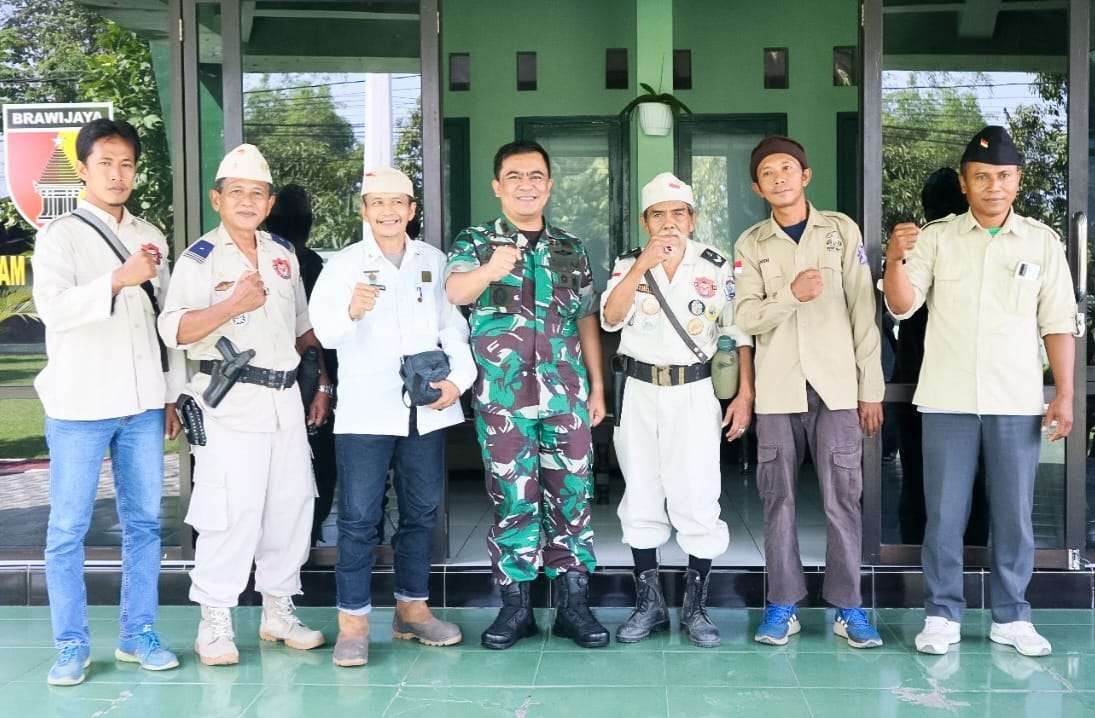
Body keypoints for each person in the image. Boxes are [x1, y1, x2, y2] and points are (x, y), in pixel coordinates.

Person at [882, 126, 1076, 657]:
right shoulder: (938, 237)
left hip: (1014, 400)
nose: (993, 186)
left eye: (1003, 177)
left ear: (1018, 182)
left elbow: (1057, 321)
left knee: (1014, 513)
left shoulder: (1041, 240)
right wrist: (895, 257)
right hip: (947, 399)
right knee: (943, 513)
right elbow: (901, 306)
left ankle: (1012, 614)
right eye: (982, 177)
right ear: (965, 185)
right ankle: (942, 612)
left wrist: (1064, 392)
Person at [158, 143, 331, 665]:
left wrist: (324, 379)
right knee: (230, 511)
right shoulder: (199, 258)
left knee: (292, 504)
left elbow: (304, 329)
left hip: (283, 400)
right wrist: (231, 304)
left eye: (257, 193)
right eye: (237, 192)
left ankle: (278, 610)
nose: (248, 201)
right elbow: (175, 330)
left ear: (270, 201)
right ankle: (215, 621)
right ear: (217, 198)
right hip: (229, 399)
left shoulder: (282, 255)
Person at [32, 117, 184, 685]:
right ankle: (71, 645)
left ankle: (136, 634)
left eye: (126, 164)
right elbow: (55, 309)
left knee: (144, 523)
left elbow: (165, 324)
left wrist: (171, 394)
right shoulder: (60, 234)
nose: (117, 174)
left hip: (143, 403)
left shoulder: (152, 233)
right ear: (83, 169)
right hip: (78, 406)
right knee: (67, 529)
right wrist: (118, 279)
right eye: (105, 163)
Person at [445, 140, 609, 650]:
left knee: (573, 498)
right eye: (514, 176)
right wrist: (492, 268)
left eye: (536, 175)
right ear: (498, 186)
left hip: (566, 395)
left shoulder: (569, 246)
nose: (526, 184)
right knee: (513, 497)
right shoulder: (474, 242)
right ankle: (515, 607)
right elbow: (455, 293)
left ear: (550, 185)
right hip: (503, 400)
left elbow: (585, 317)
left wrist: (598, 387)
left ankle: (573, 606)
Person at [309, 166, 475, 666]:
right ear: (364, 210)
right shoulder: (343, 265)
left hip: (425, 410)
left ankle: (412, 610)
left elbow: (454, 329)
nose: (387, 211)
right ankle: (354, 624)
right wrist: (352, 311)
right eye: (377, 203)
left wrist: (457, 382)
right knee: (359, 519)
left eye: (397, 203)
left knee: (422, 513)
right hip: (365, 412)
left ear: (412, 209)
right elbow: (325, 332)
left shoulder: (433, 259)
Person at [734, 135, 885, 649]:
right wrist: (789, 296)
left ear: (806, 175)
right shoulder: (750, 244)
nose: (779, 178)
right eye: (768, 173)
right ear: (757, 187)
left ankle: (848, 608)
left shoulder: (841, 231)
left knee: (844, 498)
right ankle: (783, 605)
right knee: (778, 501)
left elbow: (864, 311)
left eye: (787, 169)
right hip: (779, 391)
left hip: (839, 388)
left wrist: (871, 388)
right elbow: (746, 317)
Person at [600, 172, 755, 647]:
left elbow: (738, 330)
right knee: (642, 491)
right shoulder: (630, 262)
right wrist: (641, 265)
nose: (669, 223)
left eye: (679, 214)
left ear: (693, 218)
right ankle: (647, 604)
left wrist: (745, 394)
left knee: (697, 492)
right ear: (646, 221)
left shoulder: (716, 264)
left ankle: (695, 607)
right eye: (658, 215)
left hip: (694, 391)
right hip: (640, 390)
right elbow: (610, 317)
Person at [265, 184, 338, 545]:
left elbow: (314, 329)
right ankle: (303, 533)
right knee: (315, 459)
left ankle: (300, 534)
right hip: (298, 378)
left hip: (308, 375)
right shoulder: (300, 263)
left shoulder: (308, 263)